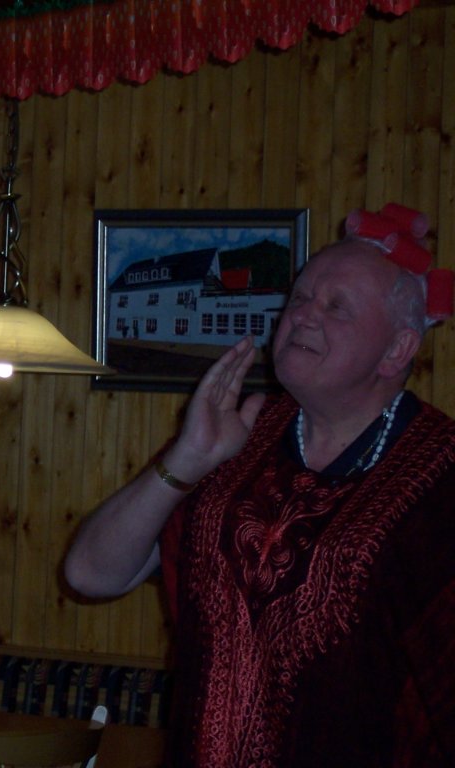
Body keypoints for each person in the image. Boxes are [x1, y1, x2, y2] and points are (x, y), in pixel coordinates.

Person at [64, 207, 455, 767]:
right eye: (300, 298)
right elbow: (89, 573)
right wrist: (187, 458)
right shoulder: (239, 435)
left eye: (336, 307)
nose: (304, 316)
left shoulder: (439, 475)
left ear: (397, 350)